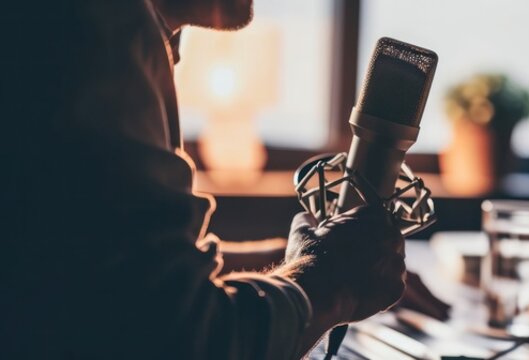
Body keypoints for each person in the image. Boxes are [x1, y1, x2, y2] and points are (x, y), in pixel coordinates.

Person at [3, 0, 443, 358]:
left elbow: (108, 278)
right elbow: (177, 339)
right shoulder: (96, 29)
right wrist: (331, 282)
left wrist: (294, 258)